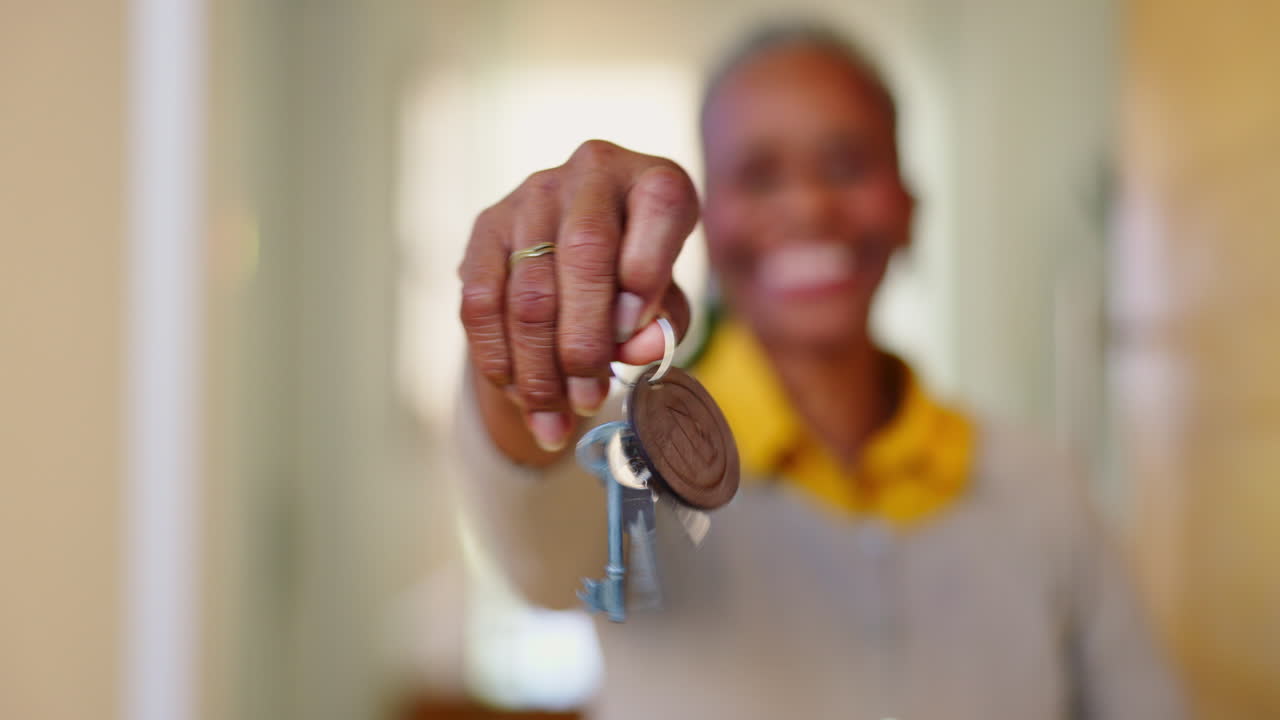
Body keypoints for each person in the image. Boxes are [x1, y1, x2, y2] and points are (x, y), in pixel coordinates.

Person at [453, 22, 1185, 720]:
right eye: (758, 174)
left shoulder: (1042, 486)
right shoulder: (628, 467)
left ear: (909, 208)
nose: (807, 205)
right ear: (706, 222)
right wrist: (527, 340)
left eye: (847, 164)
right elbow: (533, 534)